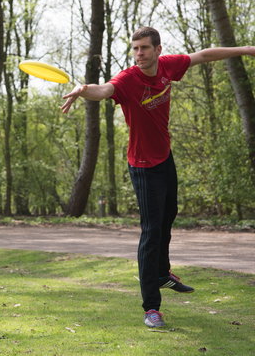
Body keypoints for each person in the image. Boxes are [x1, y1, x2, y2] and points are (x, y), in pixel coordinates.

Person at [61, 27, 255, 328]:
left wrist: (244, 49)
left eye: (144, 48)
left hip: (165, 157)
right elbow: (105, 90)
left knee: (168, 217)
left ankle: (163, 273)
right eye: (135, 49)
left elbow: (203, 55)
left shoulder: (168, 67)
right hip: (142, 165)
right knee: (151, 232)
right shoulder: (127, 80)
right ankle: (151, 307)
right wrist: (84, 90)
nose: (139, 54)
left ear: (157, 50)